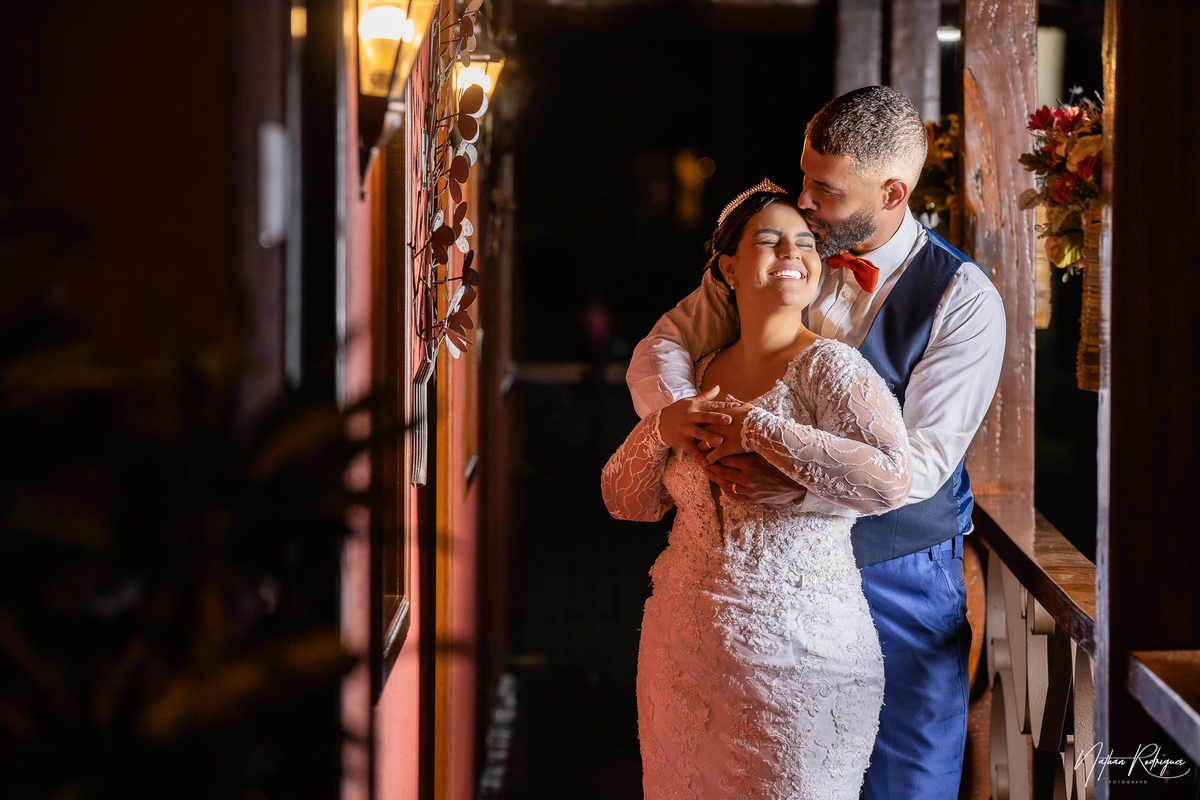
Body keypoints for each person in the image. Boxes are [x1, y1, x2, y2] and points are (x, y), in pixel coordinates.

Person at [625, 86, 1006, 800]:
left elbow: (922, 463)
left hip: (897, 572)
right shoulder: (782, 249)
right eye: (805, 176)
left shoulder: (964, 299)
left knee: (907, 781)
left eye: (825, 190)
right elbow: (665, 345)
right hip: (765, 593)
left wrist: (801, 486)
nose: (802, 201)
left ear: (892, 194)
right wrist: (684, 421)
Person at [602, 181, 913, 800]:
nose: (792, 253)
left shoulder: (831, 368)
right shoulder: (694, 375)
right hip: (681, 652)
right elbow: (626, 502)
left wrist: (758, 427)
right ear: (728, 268)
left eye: (805, 243)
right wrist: (662, 427)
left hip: (803, 660)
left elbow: (890, 480)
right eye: (769, 241)